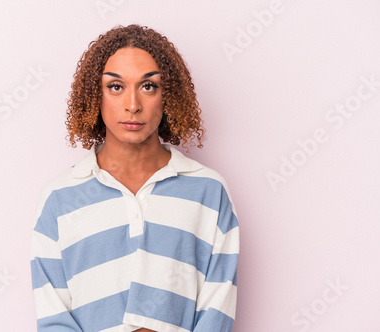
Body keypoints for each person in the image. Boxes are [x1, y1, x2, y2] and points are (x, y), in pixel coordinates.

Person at [30, 24, 240, 332]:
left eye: (148, 86)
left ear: (169, 96)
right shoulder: (60, 198)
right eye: (116, 87)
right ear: (94, 95)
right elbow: (53, 317)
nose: (132, 105)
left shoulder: (208, 191)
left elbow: (217, 309)